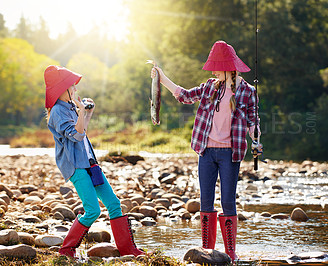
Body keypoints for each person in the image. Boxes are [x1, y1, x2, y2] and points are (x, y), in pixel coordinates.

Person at [151, 40, 262, 261]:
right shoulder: (210, 86)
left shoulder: (248, 91)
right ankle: (207, 251)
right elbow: (184, 95)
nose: (212, 70)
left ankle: (230, 253)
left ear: (229, 67)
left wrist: (257, 138)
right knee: (206, 201)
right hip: (206, 152)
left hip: (231, 154)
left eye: (216, 65)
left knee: (228, 202)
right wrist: (162, 78)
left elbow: (253, 121)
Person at [44, 65, 145, 258]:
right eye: (72, 86)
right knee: (92, 210)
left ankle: (128, 250)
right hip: (76, 166)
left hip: (90, 163)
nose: (76, 90)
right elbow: (76, 135)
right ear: (61, 90)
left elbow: (83, 132)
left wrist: (86, 112)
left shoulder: (71, 107)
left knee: (114, 204)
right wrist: (81, 110)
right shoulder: (57, 111)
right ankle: (66, 250)